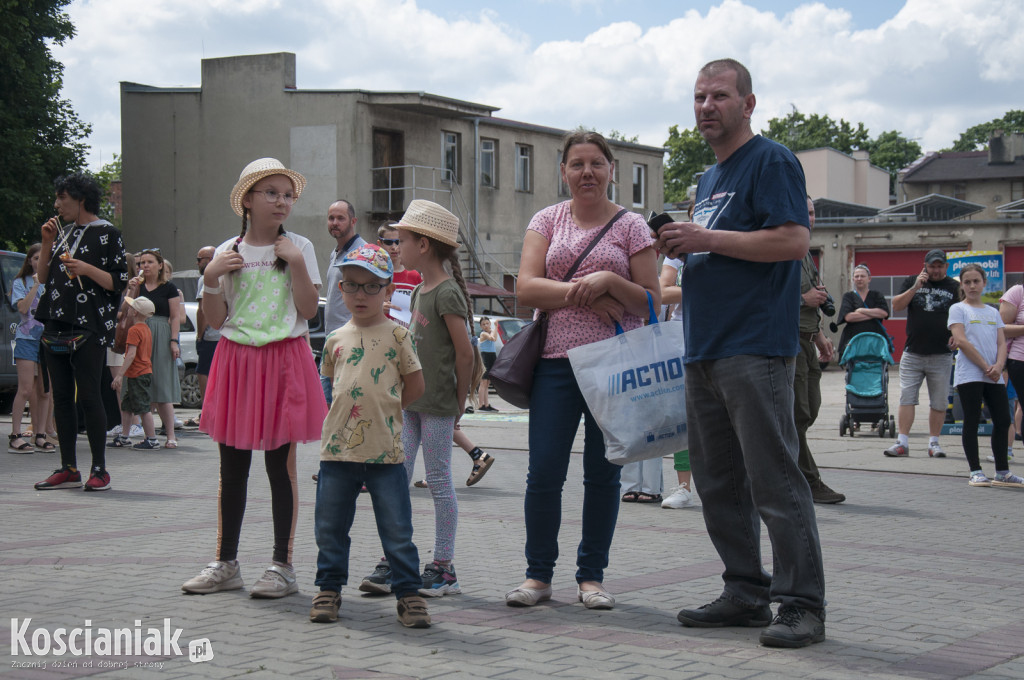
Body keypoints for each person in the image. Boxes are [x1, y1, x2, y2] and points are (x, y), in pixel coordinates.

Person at [656, 59, 825, 647]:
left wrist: (703, 239)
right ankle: (745, 592)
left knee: (774, 480)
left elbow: (792, 240)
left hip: (755, 347)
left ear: (748, 103)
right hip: (703, 347)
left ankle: (801, 603)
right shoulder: (708, 180)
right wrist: (684, 242)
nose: (706, 106)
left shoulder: (772, 160)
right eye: (699, 97)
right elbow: (717, 250)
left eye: (719, 96)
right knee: (718, 482)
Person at [506, 130, 659, 610]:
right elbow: (526, 290)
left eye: (596, 163)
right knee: (544, 473)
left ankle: (591, 577)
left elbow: (652, 302)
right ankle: (537, 577)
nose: (587, 172)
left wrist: (610, 279)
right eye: (577, 164)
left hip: (614, 367)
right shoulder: (547, 218)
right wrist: (593, 298)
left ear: (611, 169)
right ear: (564, 171)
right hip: (555, 364)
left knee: (604, 475)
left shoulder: (633, 226)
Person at [183, 158, 327, 597]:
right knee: (233, 468)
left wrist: (297, 264)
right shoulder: (229, 252)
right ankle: (226, 562)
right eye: (271, 193)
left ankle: (282, 566)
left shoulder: (299, 246)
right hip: (238, 361)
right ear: (247, 199)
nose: (281, 201)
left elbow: (307, 310)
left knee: (280, 468)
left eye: (287, 194)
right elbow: (215, 318)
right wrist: (210, 278)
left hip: (284, 359)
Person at [312, 244, 431, 628]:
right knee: (330, 528)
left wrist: (388, 411)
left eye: (370, 287)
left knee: (397, 530)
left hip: (387, 453)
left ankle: (409, 594)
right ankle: (329, 589)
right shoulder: (334, 339)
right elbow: (331, 387)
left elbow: (414, 386)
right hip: (337, 453)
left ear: (387, 289)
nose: (360, 295)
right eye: (351, 286)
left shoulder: (399, 336)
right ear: (341, 289)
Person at [359, 200, 473, 599]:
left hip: (438, 405)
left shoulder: (446, 292)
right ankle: (395, 561)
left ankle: (444, 568)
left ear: (423, 245)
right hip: (410, 402)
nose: (396, 247)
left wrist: (460, 403)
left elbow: (465, 353)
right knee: (396, 477)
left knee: (440, 481)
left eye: (402, 240)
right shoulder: (422, 288)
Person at [33, 172, 129, 492]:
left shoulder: (108, 233)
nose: (57, 204)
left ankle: (99, 468)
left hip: (89, 323)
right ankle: (68, 467)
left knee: (89, 395)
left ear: (82, 200)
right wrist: (47, 243)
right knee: (61, 396)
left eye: (63, 198)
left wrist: (86, 269)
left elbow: (118, 282)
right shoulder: (62, 233)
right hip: (55, 321)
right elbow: (44, 277)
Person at [948, 264, 1022, 487]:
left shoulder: (992, 312)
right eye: (967, 282)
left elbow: (1001, 342)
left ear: (984, 283)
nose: (972, 286)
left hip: (994, 375)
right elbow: (960, 340)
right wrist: (985, 366)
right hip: (971, 374)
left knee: (1002, 420)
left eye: (976, 281)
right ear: (962, 284)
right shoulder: (958, 309)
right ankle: (975, 471)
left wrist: (999, 365)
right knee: (971, 420)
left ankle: (1002, 472)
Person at [885, 250, 959, 458]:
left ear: (946, 267)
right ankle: (902, 443)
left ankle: (934, 443)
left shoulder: (954, 287)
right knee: (907, 397)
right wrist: (916, 287)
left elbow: (962, 314)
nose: (936, 270)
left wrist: (957, 335)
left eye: (940, 266)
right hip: (913, 353)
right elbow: (897, 305)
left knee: (939, 401)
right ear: (925, 265)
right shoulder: (912, 281)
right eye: (932, 266)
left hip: (941, 354)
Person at [794, 199, 844, 505]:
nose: (809, 217)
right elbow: (765, 295)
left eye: (813, 213)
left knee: (810, 409)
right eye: (805, 211)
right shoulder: (783, 249)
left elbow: (815, 296)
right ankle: (807, 482)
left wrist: (821, 337)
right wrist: (803, 299)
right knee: (796, 414)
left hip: (807, 338)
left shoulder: (805, 252)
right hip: (788, 339)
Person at [130, 249, 181, 448]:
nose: (145, 266)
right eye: (142, 262)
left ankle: (170, 436)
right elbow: (128, 309)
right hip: (141, 332)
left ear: (160, 265)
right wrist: (131, 290)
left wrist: (174, 340)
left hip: (161, 333)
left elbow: (175, 316)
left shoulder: (169, 288)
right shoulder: (138, 286)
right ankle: (148, 436)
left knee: (162, 385)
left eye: (150, 262)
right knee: (143, 383)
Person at [320, 200, 367, 407]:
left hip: (351, 342)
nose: (335, 223)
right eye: (331, 218)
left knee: (346, 407)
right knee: (329, 407)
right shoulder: (335, 253)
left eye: (341, 218)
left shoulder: (362, 253)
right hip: (331, 340)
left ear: (353, 221)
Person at [9, 244, 54, 453]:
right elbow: (23, 308)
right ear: (29, 261)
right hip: (26, 338)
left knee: (45, 390)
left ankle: (41, 433)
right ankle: (15, 435)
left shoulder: (54, 283)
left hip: (47, 340)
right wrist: (36, 286)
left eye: (43, 258)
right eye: (35, 258)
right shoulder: (21, 282)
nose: (39, 262)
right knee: (26, 388)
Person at [656, 254, 693, 509]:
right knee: (682, 415)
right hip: (682, 337)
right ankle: (684, 488)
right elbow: (663, 292)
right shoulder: (678, 253)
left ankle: (736, 486)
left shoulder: (731, 237)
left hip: (725, 336)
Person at [109, 296, 160, 450]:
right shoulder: (146, 329)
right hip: (141, 372)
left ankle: (152, 439)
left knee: (143, 407)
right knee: (127, 406)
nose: (128, 309)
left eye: (131, 307)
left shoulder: (134, 330)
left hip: (137, 373)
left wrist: (119, 375)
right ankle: (125, 437)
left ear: (136, 312)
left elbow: (131, 354)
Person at [190, 245, 219, 425]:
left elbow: (203, 310)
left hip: (211, 336)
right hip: (225, 336)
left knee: (204, 373)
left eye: (199, 259)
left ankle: (207, 413)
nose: (197, 263)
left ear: (209, 259)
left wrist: (200, 334)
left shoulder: (206, 277)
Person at [836, 264, 890, 358]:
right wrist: (874, 314)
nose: (859, 278)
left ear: (869, 278)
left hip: (875, 340)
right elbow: (849, 317)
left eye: (862, 276)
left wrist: (862, 310)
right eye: (856, 276)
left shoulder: (877, 295)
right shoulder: (848, 296)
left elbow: (884, 313)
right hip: (852, 341)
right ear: (853, 279)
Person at [378, 222, 421, 328]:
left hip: (407, 335)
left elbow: (421, 309)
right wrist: (378, 309)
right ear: (380, 244)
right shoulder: (374, 275)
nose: (394, 247)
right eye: (388, 242)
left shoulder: (414, 276)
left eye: (398, 242)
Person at [476, 318, 498, 411]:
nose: (486, 325)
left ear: (490, 324)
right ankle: (481, 405)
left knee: (488, 382)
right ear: (481, 326)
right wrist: (496, 327)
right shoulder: (483, 334)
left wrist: (494, 329)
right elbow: (492, 338)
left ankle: (486, 404)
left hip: (492, 357)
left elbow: (495, 338)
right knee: (483, 382)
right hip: (485, 357)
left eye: (487, 323)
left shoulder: (492, 331)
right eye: (483, 324)